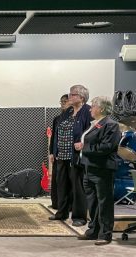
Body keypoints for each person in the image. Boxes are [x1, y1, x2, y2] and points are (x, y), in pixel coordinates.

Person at [77, 96, 121, 245]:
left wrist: (85, 148)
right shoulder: (95, 124)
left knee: (104, 203)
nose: (90, 109)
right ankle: (93, 230)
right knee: (93, 202)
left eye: (93, 106)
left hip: (103, 169)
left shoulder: (111, 125)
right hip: (89, 168)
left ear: (101, 108)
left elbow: (107, 147)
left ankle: (105, 234)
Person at [49, 85, 92, 226]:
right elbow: (56, 132)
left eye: (73, 95)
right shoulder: (67, 112)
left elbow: (91, 133)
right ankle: (62, 212)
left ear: (81, 97)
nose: (70, 97)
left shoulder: (87, 111)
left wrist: (83, 143)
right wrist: (53, 152)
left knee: (77, 186)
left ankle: (79, 216)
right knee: (61, 185)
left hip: (75, 156)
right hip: (61, 155)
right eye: (70, 94)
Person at [49, 94, 70, 209]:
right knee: (57, 180)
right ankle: (56, 203)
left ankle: (68, 205)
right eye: (61, 101)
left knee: (67, 182)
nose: (62, 103)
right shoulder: (57, 119)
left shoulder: (73, 118)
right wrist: (51, 152)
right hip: (58, 153)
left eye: (65, 101)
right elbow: (53, 137)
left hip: (68, 154)